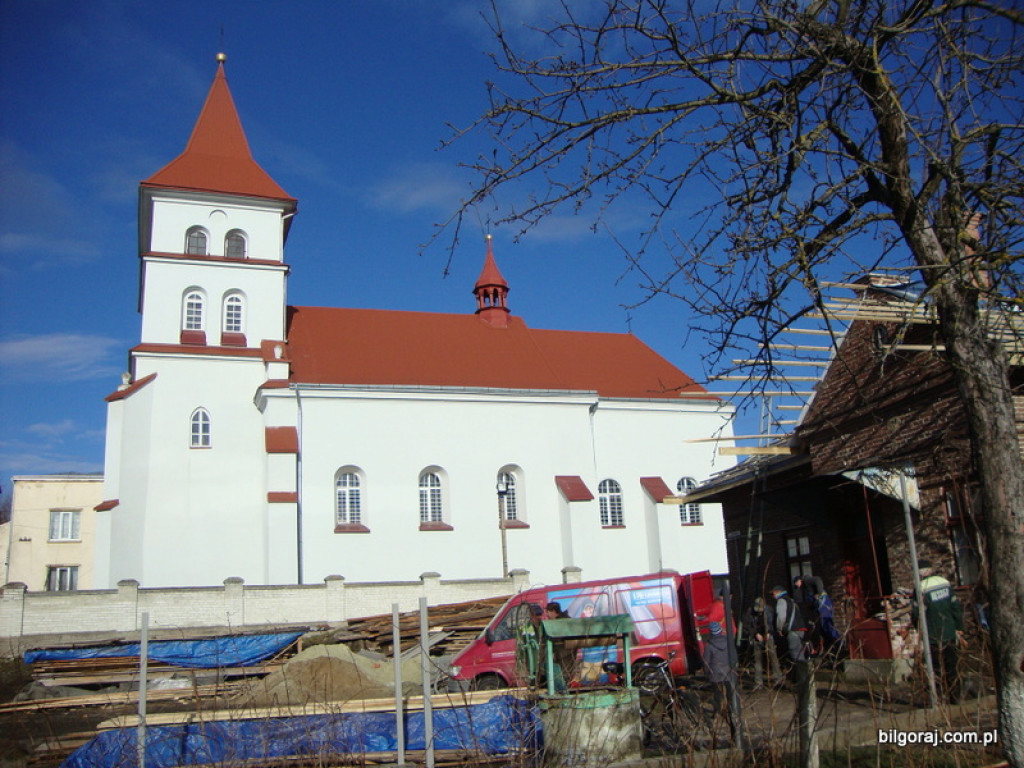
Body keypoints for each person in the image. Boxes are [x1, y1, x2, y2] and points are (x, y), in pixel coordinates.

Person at [912, 560, 965, 702]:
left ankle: (937, 698)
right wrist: (959, 627)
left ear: (920, 573)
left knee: (934, 667)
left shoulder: (920, 587)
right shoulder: (945, 583)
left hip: (932, 634)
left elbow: (916, 614)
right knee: (952, 666)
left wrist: (919, 631)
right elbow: (955, 608)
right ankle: (955, 697)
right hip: (949, 631)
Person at [765, 585, 808, 665]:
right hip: (801, 629)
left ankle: (801, 676)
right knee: (800, 653)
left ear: (777, 592)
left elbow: (781, 617)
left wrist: (779, 629)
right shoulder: (791, 601)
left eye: (773, 594)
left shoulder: (781, 601)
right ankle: (805, 674)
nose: (772, 597)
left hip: (793, 630)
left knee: (795, 656)